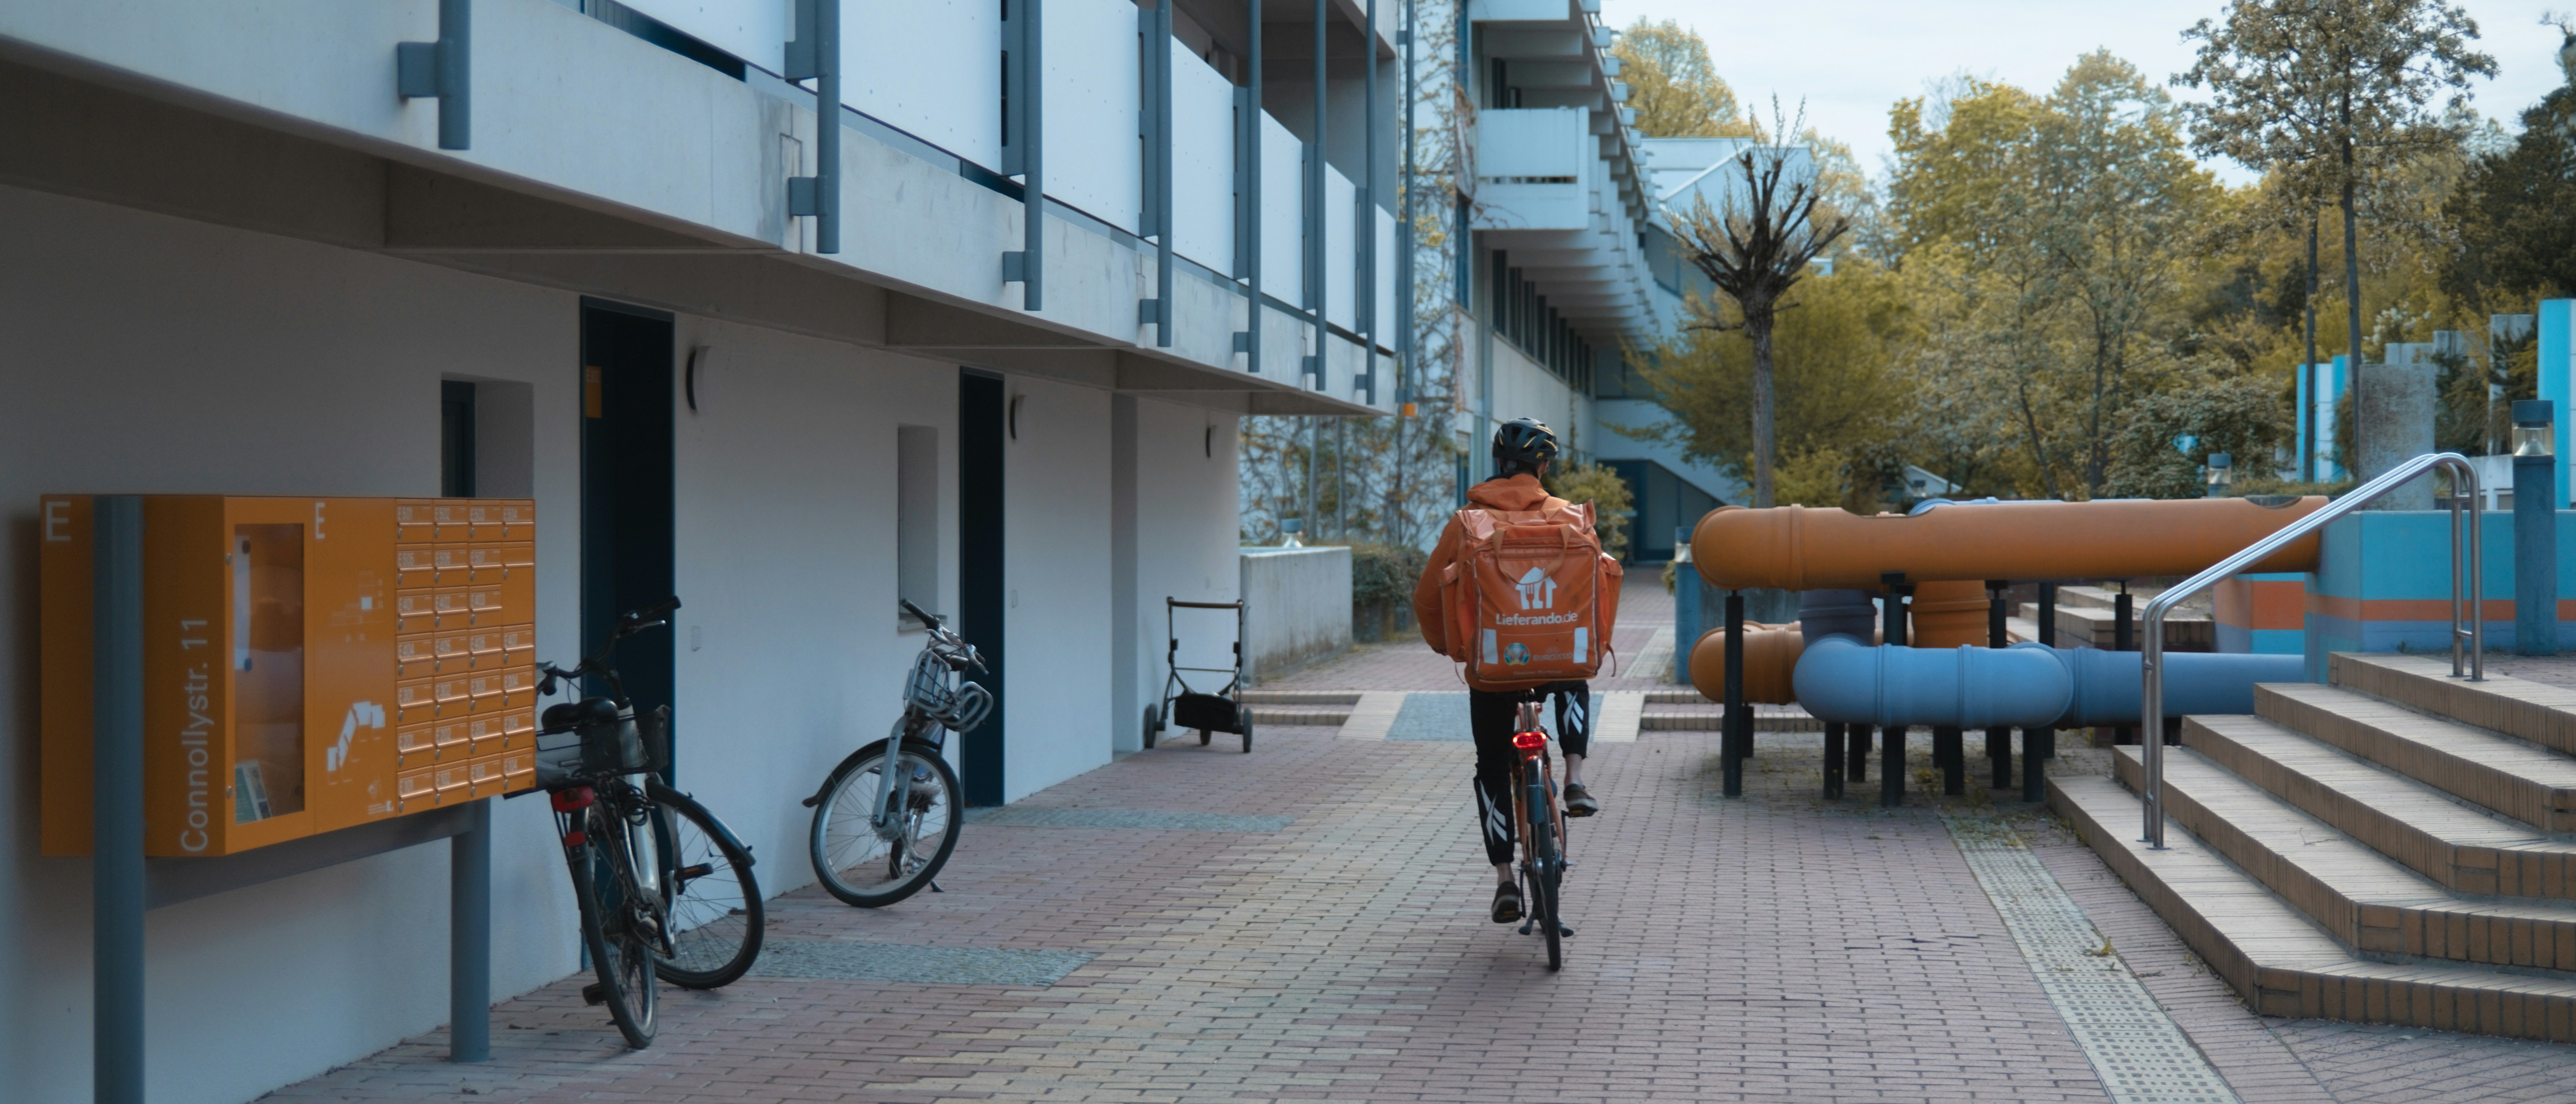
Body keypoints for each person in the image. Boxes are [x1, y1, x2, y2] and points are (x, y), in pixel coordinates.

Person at [1411, 417, 1603, 925]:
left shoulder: (1466, 523)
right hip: (1557, 663)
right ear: (1542, 467)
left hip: (1493, 671)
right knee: (1574, 678)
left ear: (1498, 465)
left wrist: (1449, 648)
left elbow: (1427, 598)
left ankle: (1503, 879)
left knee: (1492, 765)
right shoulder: (1569, 518)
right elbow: (1598, 590)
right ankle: (1576, 776)